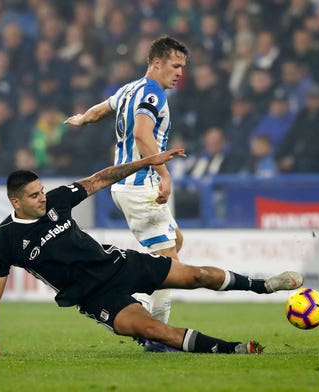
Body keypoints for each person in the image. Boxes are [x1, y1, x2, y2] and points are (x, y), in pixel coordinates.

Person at [0, 148, 304, 357]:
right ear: (16, 202)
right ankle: (235, 350)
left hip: (119, 264)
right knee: (154, 331)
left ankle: (264, 286)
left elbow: (99, 179)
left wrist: (146, 162)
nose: (42, 198)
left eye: (41, 191)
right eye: (34, 195)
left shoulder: (57, 200)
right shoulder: (6, 240)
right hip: (94, 296)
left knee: (196, 275)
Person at [64, 36, 187, 350]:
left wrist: (82, 119)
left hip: (125, 185)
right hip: (140, 185)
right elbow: (141, 134)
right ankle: (155, 337)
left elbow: (100, 110)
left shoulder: (129, 89)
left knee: (176, 242)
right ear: (156, 62)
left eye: (183, 67)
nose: (179, 73)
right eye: (175, 65)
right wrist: (164, 174)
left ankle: (145, 309)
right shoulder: (153, 93)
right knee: (168, 265)